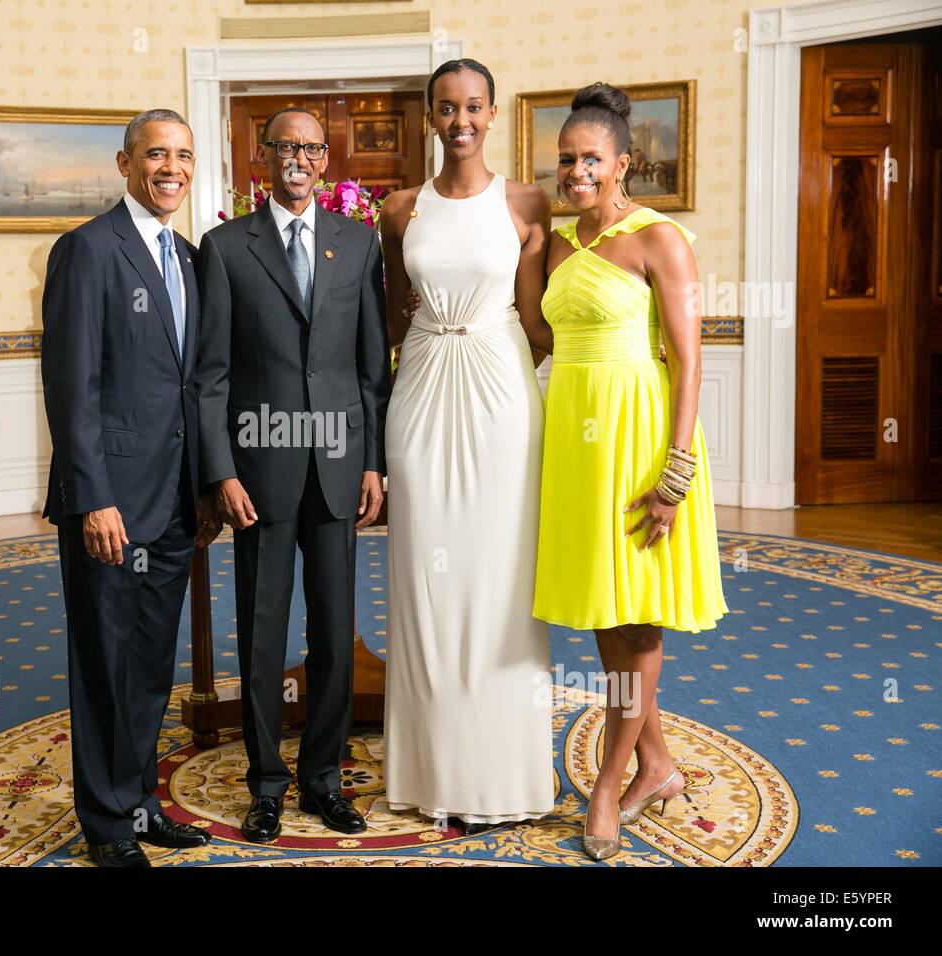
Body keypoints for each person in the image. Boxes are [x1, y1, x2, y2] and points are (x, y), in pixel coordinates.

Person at [532, 83, 728, 861]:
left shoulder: (659, 239)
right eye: (565, 160)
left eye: (590, 160)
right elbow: (539, 335)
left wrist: (675, 470)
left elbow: (689, 360)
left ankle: (609, 785)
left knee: (636, 619)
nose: (576, 172)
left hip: (642, 440)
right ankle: (658, 763)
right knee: (606, 614)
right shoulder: (558, 242)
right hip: (578, 443)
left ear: (624, 163)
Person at [196, 107, 390, 843]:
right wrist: (221, 472)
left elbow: (373, 369)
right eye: (287, 147)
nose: (300, 159)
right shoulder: (224, 248)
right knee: (262, 637)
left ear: (325, 161)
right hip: (260, 469)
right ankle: (266, 785)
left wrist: (373, 459)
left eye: (312, 148)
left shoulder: (358, 241)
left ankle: (323, 778)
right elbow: (211, 376)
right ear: (264, 157)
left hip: (340, 469)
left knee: (336, 634)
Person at [379, 59, 557, 834]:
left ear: (493, 112)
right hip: (419, 393)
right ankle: (429, 769)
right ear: (429, 115)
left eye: (474, 107)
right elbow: (390, 319)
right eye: (446, 108)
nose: (460, 121)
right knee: (426, 579)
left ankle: (502, 768)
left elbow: (539, 322)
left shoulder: (526, 202)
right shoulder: (397, 210)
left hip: (501, 399)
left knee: (501, 578)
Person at [40, 108, 221, 868]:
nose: (170, 168)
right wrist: (93, 497)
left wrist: (207, 485)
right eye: (155, 154)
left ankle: (141, 803)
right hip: (111, 502)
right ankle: (107, 824)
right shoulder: (86, 250)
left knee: (151, 664)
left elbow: (195, 386)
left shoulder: (187, 256)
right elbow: (70, 386)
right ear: (124, 164)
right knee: (105, 666)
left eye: (182, 155)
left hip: (175, 501)